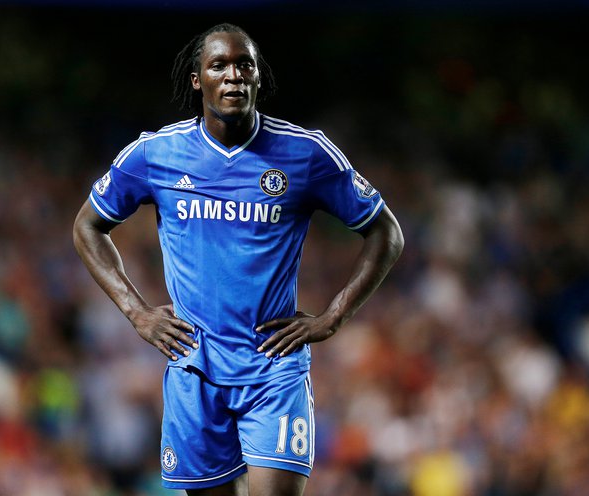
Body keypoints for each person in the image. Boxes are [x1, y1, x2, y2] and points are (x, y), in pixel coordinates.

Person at [73, 23, 404, 496]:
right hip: (195, 367)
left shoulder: (305, 153)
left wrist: (333, 316)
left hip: (273, 366)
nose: (233, 75)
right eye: (219, 65)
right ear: (197, 79)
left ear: (257, 78)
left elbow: (385, 232)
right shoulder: (156, 154)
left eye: (244, 65)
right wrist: (137, 312)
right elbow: (87, 225)